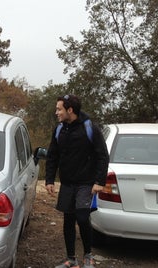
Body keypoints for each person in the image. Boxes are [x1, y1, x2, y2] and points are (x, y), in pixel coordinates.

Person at [44, 94, 109, 268]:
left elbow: (102, 155)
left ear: (70, 110)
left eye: (59, 109)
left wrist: (99, 181)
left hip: (86, 183)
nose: (56, 112)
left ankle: (88, 255)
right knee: (68, 220)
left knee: (82, 217)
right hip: (67, 183)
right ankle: (71, 259)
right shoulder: (59, 129)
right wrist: (49, 179)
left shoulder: (90, 128)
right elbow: (52, 156)